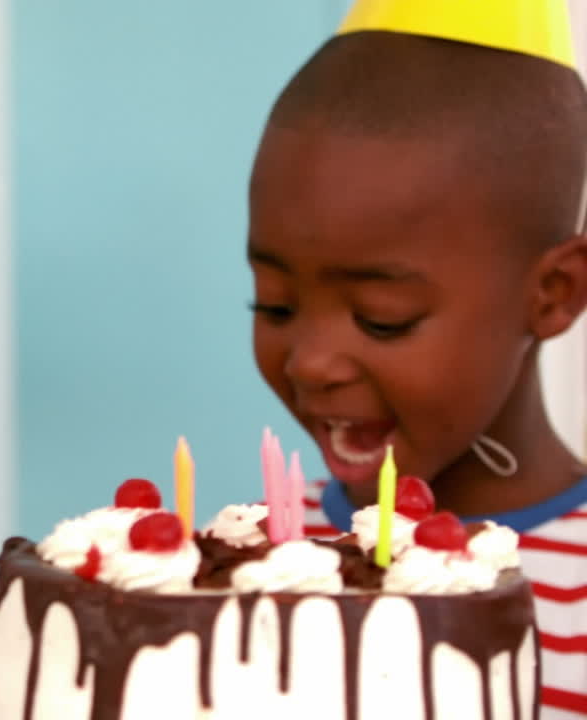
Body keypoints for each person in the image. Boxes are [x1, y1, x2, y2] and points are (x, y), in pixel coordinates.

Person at [248, 1, 587, 716]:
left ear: (554, 294)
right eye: (275, 304)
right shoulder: (257, 557)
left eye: (382, 319)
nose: (310, 362)